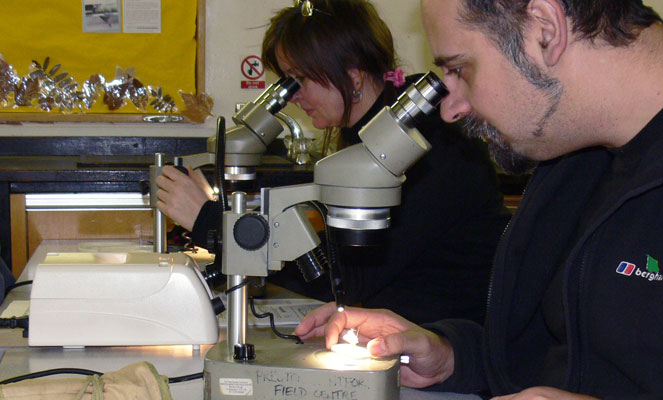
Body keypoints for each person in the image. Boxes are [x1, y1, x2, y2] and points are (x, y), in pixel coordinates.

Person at [294, 0, 663, 398]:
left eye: (459, 69)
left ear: (545, 29)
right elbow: (560, 358)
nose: (450, 109)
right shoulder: (573, 155)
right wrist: (452, 354)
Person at [156, 0, 510, 325]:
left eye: (300, 79)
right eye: (287, 81)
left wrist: (210, 223)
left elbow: (343, 280)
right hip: (404, 329)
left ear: (353, 75)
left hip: (449, 347)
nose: (293, 97)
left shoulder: (421, 139)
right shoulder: (372, 133)